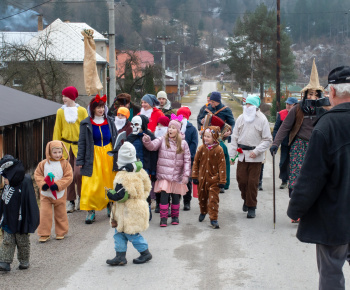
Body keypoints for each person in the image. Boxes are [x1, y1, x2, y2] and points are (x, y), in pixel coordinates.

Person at [287, 66, 350, 290]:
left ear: (331, 93)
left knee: (331, 271)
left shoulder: (327, 126)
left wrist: (296, 209)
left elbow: (312, 177)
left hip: (334, 217)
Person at [270, 59, 324, 201]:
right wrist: (275, 144)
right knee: (295, 178)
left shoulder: (323, 110)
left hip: (316, 147)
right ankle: (295, 208)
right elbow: (284, 127)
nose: (312, 97)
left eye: (316, 94)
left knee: (313, 178)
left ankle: (309, 209)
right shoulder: (298, 108)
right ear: (305, 95)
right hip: (299, 145)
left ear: (320, 96)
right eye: (310, 94)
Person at [106, 142, 152, 266]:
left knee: (131, 234)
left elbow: (120, 196)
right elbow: (148, 186)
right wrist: (140, 198)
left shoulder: (123, 176)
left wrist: (110, 194)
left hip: (128, 211)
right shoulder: (140, 171)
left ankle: (145, 252)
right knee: (119, 233)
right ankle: (120, 256)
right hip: (138, 205)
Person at [142, 114, 191, 227]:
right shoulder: (162, 140)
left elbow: (187, 160)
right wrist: (147, 141)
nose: (170, 129)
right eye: (169, 127)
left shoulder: (183, 143)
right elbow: (152, 146)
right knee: (164, 197)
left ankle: (175, 217)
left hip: (176, 176)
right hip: (164, 175)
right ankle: (163, 218)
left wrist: (186, 175)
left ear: (178, 130)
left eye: (173, 128)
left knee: (175, 198)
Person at [76, 94, 118, 224]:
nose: (100, 110)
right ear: (93, 108)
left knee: (109, 182)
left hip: (108, 154)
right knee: (91, 184)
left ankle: (110, 205)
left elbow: (116, 139)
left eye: (102, 107)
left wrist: (118, 155)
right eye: (98, 107)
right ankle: (90, 211)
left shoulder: (110, 121)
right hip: (92, 156)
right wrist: (80, 161)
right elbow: (82, 143)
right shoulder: (86, 123)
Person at [229, 95, 272, 218]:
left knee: (252, 182)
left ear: (256, 107)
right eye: (246, 104)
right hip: (242, 155)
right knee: (241, 180)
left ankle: (252, 206)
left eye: (250, 104)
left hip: (255, 157)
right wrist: (232, 156)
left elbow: (267, 139)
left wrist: (257, 151)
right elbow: (234, 138)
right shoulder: (241, 118)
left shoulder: (262, 119)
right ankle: (246, 200)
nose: (247, 106)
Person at [0, 155, 39, 271]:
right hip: (8, 219)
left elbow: (30, 202)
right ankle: (4, 262)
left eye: (6, 177)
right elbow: (3, 202)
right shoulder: (7, 186)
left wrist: (31, 220)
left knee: (23, 242)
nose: (4, 180)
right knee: (7, 241)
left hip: (21, 220)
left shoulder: (25, 182)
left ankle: (24, 261)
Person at [53, 86, 88, 213]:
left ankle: (81, 196)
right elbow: (57, 129)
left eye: (66, 96)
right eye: (62, 96)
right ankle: (71, 201)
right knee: (68, 175)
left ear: (72, 97)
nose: (63, 98)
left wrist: (88, 145)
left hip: (80, 146)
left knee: (78, 173)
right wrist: (55, 148)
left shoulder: (83, 111)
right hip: (65, 147)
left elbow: (86, 129)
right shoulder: (60, 112)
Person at [34, 141, 73, 242]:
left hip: (59, 193)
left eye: (59, 152)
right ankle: (44, 233)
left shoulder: (65, 164)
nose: (57, 155)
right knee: (44, 214)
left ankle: (61, 232)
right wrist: (43, 184)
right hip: (46, 194)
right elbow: (37, 175)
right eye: (55, 152)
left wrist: (57, 185)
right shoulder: (43, 164)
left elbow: (68, 177)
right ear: (49, 152)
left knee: (61, 213)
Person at [192, 126, 226, 229]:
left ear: (215, 138)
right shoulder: (201, 148)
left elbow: (222, 166)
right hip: (202, 179)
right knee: (202, 198)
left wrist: (222, 180)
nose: (206, 138)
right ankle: (203, 211)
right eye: (205, 136)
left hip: (214, 180)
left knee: (213, 199)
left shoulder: (219, 150)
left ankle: (213, 218)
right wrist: (195, 175)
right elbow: (196, 162)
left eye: (209, 137)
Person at [127, 115, 158, 219]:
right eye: (132, 124)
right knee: (134, 189)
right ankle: (136, 211)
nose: (134, 127)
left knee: (145, 189)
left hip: (145, 168)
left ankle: (147, 208)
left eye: (136, 124)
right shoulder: (130, 137)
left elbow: (153, 154)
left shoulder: (149, 136)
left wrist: (153, 171)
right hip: (133, 168)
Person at [272, 97, 298, 189]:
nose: (288, 105)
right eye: (287, 103)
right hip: (284, 143)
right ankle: (284, 181)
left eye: (290, 104)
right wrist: (275, 142)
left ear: (295, 105)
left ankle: (293, 181)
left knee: (294, 163)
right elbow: (276, 129)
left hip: (295, 143)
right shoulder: (281, 114)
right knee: (282, 162)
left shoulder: (299, 114)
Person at [177, 106, 198, 210]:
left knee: (187, 180)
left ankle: (187, 201)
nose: (182, 118)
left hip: (188, 159)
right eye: (180, 116)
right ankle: (176, 200)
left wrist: (190, 156)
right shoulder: (175, 127)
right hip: (175, 158)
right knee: (176, 179)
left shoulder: (192, 129)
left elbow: (194, 144)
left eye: (183, 116)